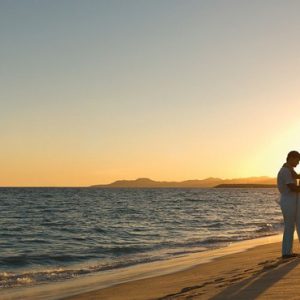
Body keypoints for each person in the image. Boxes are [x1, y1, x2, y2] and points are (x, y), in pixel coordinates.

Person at [277, 150, 300, 258]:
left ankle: (288, 251)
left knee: (293, 225)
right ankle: (286, 253)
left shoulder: (288, 169)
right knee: (289, 226)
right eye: (297, 160)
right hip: (288, 200)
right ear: (291, 158)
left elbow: (296, 176)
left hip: (291, 200)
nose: (298, 163)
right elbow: (292, 187)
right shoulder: (285, 171)